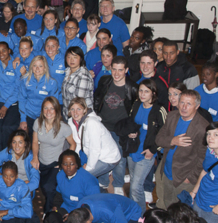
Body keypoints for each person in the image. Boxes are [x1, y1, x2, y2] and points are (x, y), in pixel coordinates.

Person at [155, 90, 209, 209]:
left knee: (179, 210)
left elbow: (203, 158)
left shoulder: (203, 128)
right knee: (167, 202)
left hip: (183, 178)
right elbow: (159, 139)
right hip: (167, 171)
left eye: (189, 104)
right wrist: (172, 141)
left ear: (197, 106)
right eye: (182, 102)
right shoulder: (171, 116)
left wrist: (190, 177)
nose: (184, 107)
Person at [94, 56, 138, 195]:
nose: (117, 73)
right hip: (103, 126)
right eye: (114, 69)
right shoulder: (104, 81)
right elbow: (97, 99)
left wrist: (132, 129)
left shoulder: (132, 88)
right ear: (110, 69)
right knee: (101, 154)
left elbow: (136, 110)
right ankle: (103, 180)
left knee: (119, 157)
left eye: (120, 70)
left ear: (126, 70)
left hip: (121, 129)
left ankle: (118, 183)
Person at [125, 80, 167, 212]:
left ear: (153, 93)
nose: (142, 94)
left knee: (136, 186)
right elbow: (131, 122)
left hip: (146, 152)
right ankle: (133, 210)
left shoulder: (159, 110)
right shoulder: (136, 104)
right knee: (133, 183)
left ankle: (141, 216)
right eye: (141, 91)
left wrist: (153, 150)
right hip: (133, 150)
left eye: (146, 91)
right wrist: (131, 133)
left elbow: (165, 133)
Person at [32, 97, 76, 212]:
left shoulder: (64, 128)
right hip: (41, 161)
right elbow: (35, 142)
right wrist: (35, 158)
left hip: (55, 163)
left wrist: (64, 164)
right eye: (46, 108)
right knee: (41, 186)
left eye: (52, 109)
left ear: (57, 110)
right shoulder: (38, 122)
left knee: (48, 188)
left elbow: (73, 144)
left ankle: (48, 212)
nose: (48, 112)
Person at [67, 97, 121, 190]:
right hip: (93, 154)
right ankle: (103, 183)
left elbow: (95, 149)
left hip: (108, 158)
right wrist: (74, 161)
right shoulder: (72, 122)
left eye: (78, 109)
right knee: (97, 180)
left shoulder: (92, 123)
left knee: (80, 177)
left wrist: (88, 168)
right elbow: (78, 143)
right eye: (72, 109)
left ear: (84, 109)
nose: (75, 113)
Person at [0, 42, 23, 158]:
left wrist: (6, 106)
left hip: (14, 103)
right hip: (1, 102)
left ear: (9, 50)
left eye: (4, 50)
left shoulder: (17, 64)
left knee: (7, 128)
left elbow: (18, 90)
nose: (1, 53)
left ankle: (7, 159)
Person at [50, 150, 100, 215]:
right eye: (65, 164)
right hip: (66, 207)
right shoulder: (60, 175)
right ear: (61, 165)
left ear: (77, 165)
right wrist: (56, 206)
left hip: (82, 213)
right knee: (51, 220)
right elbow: (59, 194)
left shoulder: (89, 181)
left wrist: (73, 216)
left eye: (72, 164)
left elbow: (93, 205)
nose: (68, 167)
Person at [18, 55, 59, 132]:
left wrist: (49, 120)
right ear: (31, 67)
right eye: (35, 65)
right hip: (28, 115)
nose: (37, 68)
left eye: (40, 66)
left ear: (45, 68)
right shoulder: (25, 80)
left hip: (44, 116)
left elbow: (53, 104)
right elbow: (21, 99)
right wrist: (23, 119)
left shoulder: (52, 83)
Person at [62, 46, 94, 118]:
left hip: (79, 116)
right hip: (68, 113)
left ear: (81, 58)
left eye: (75, 57)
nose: (71, 60)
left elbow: (79, 103)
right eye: (69, 57)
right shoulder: (68, 71)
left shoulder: (83, 76)